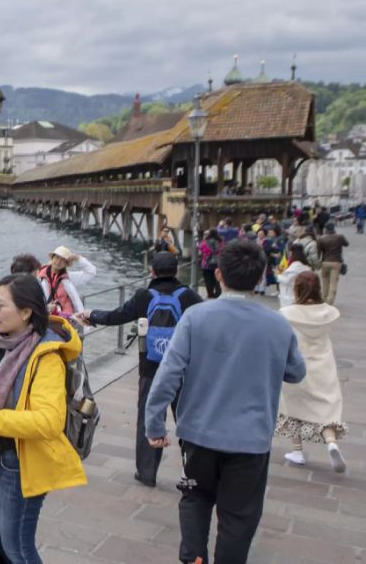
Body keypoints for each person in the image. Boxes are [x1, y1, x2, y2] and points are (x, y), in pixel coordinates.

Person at [145, 240, 306, 564]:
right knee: (239, 516)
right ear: (261, 275)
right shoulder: (278, 323)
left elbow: (168, 375)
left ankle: (194, 557)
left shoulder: (195, 317)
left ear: (218, 274)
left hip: (198, 435)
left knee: (195, 497)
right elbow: (296, 373)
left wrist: (154, 424)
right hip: (251, 441)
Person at [0, 274, 86, 563]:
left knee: (17, 546)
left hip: (22, 461)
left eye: (1, 305)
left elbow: (49, 420)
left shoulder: (46, 355)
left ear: (26, 312)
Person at [74, 252, 202, 488]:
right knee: (186, 418)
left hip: (150, 367)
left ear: (152, 271)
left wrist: (91, 315)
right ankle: (192, 471)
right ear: (176, 271)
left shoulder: (144, 296)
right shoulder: (189, 296)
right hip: (183, 366)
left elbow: (117, 316)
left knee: (148, 417)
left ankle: (146, 472)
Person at [275, 272, 348, 473]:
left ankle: (297, 450)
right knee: (326, 407)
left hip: (298, 364)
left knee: (293, 407)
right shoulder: (330, 312)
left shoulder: (287, 313)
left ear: (296, 289)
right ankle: (331, 442)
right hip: (324, 364)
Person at [37, 246, 96, 320]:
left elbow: (91, 272)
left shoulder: (69, 277)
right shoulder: (40, 276)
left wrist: (78, 258)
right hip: (46, 317)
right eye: (57, 257)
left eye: (63, 260)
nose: (58, 262)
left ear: (66, 264)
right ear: (52, 258)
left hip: (66, 319)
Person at [316, 221, 348, 305]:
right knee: (333, 282)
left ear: (325, 229)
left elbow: (318, 252)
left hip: (325, 262)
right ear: (334, 228)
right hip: (337, 262)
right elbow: (347, 244)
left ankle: (324, 298)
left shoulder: (321, 239)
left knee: (325, 281)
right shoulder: (340, 237)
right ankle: (329, 301)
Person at [278, 244, 312, 309]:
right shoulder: (306, 266)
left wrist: (278, 276)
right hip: (301, 294)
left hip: (289, 295)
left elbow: (287, 280)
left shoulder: (295, 266)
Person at [198, 229, 223, 299]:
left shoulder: (204, 243)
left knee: (208, 280)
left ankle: (210, 294)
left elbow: (200, 252)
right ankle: (218, 294)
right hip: (218, 264)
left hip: (206, 264)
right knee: (217, 280)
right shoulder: (220, 242)